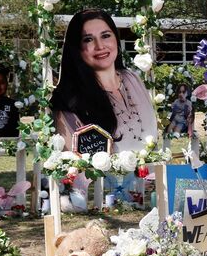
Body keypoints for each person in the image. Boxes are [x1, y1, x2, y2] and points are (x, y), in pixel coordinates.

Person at [51, 8, 157, 153]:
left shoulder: (132, 79)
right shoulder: (70, 99)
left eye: (106, 36)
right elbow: (74, 162)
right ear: (77, 48)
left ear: (116, 40)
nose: (100, 46)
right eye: (88, 39)